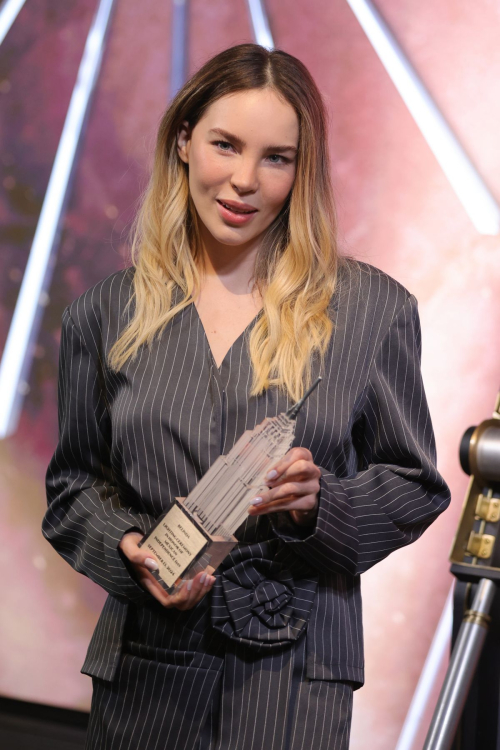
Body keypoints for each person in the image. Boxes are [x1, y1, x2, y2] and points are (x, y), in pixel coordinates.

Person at [42, 43, 451, 750]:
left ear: (302, 172)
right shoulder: (104, 315)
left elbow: (414, 486)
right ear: (182, 143)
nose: (243, 181)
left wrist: (320, 505)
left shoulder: (370, 311)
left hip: (294, 684)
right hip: (150, 674)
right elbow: (74, 488)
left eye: (276, 158)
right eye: (224, 145)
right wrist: (129, 548)